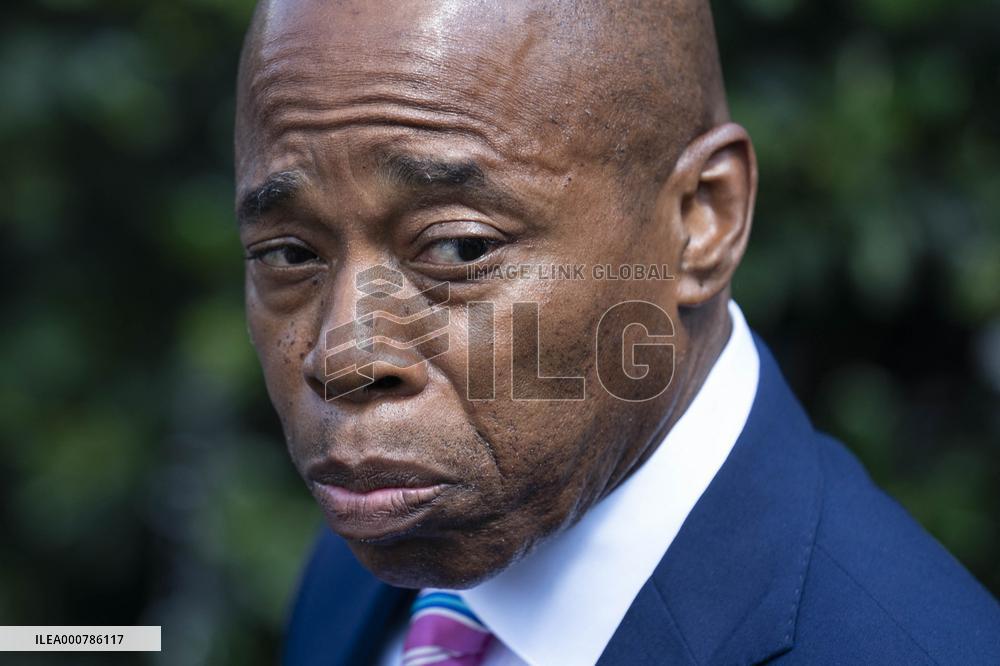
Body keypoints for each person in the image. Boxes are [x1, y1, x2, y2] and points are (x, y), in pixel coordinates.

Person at [233, 1, 1000, 664]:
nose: (345, 359)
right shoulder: (371, 553)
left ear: (702, 218)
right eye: (288, 254)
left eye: (460, 249)